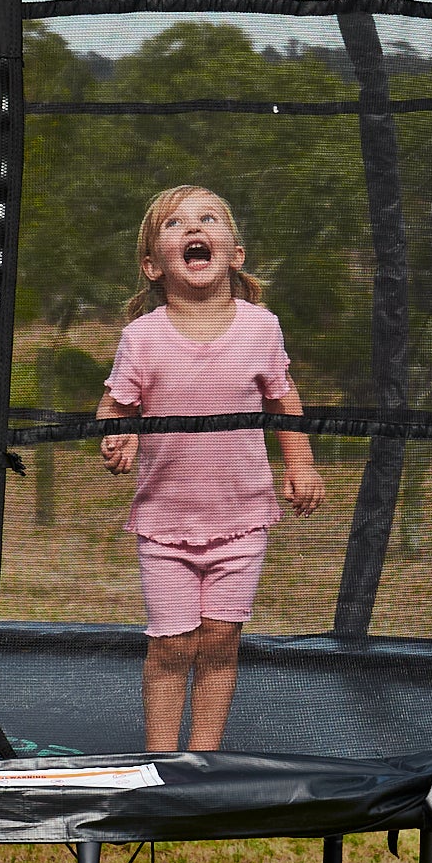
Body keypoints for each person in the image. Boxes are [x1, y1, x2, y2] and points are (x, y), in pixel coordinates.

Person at [96, 184, 325, 750]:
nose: (194, 228)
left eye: (208, 219)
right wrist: (116, 433)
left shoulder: (260, 327)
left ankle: (204, 763)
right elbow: (116, 403)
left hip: (242, 517)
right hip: (164, 519)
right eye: (174, 224)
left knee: (221, 640)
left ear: (235, 253)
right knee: (172, 643)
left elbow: (283, 398)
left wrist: (300, 463)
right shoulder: (141, 337)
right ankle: (159, 760)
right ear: (153, 265)